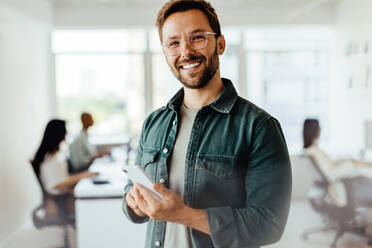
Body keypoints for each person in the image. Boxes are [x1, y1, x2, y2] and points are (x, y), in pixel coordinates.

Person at [122, 1, 292, 247]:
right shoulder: (154, 123)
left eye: (197, 38)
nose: (186, 51)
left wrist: (183, 214)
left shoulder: (259, 127)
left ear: (220, 44)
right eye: (174, 43)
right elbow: (131, 196)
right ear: (165, 53)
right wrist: (134, 203)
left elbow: (269, 224)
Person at [31, 119, 98, 218]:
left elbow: (62, 177)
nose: (67, 133)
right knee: (93, 199)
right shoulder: (50, 158)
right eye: (65, 130)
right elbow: (57, 184)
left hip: (63, 194)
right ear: (58, 133)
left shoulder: (54, 155)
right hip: (61, 198)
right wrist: (83, 176)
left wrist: (84, 175)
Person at [303, 118, 372, 206]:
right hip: (337, 184)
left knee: (361, 168)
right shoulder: (313, 152)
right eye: (319, 127)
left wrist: (346, 160)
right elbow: (330, 174)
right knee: (363, 171)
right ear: (314, 130)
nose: (320, 129)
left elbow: (329, 164)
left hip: (339, 175)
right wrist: (351, 163)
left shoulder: (311, 151)